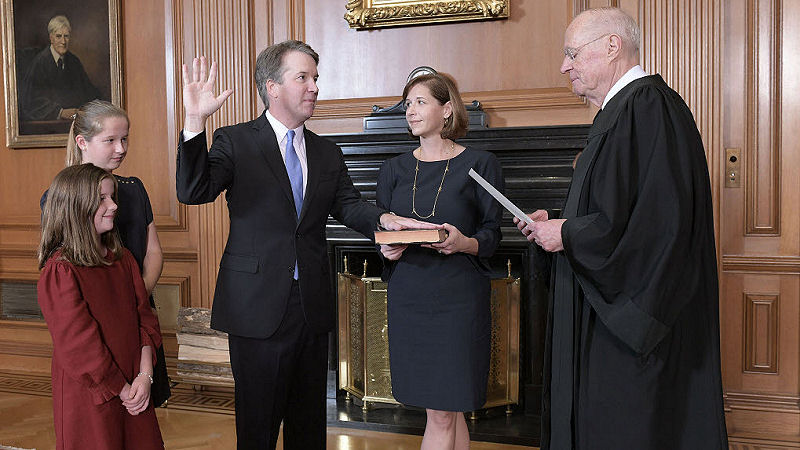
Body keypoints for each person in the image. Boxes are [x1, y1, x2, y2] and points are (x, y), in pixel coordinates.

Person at [177, 40, 431, 449]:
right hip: (256, 307)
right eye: (304, 77)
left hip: (310, 305)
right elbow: (193, 190)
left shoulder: (326, 151)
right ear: (272, 86)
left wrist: (384, 220)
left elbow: (348, 205)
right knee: (258, 429)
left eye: (316, 78)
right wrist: (193, 122)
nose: (314, 86)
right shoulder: (235, 141)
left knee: (308, 426)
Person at [515, 7, 728, 449]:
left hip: (631, 327)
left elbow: (656, 225)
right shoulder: (625, 111)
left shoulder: (647, 107)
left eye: (572, 53)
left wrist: (569, 235)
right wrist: (559, 223)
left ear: (612, 46)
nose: (563, 66)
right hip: (605, 310)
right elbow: (615, 206)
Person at [377, 72, 503, 450]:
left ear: (447, 109)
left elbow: (492, 236)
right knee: (447, 409)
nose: (410, 111)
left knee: (446, 410)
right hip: (410, 296)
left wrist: (463, 243)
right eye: (407, 104)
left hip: (458, 299)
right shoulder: (393, 169)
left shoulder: (481, 163)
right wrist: (387, 248)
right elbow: (380, 231)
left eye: (420, 102)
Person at [40, 99, 170, 407]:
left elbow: (153, 252)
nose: (121, 148)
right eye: (110, 140)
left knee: (143, 408)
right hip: (97, 325)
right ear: (82, 142)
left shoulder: (134, 189)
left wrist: (135, 299)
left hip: (138, 318)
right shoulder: (61, 195)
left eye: (124, 138)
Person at [37, 163, 164, 449]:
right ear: (76, 207)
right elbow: (81, 347)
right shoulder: (61, 271)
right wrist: (122, 388)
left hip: (135, 386)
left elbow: (146, 320)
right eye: (103, 199)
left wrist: (144, 377)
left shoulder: (124, 259)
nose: (114, 205)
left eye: (113, 197)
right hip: (93, 394)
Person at [19, 15, 101, 122]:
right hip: (48, 125)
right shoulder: (40, 63)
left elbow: (88, 92)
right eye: (58, 36)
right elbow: (31, 101)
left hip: (75, 122)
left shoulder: (74, 61)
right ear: (51, 38)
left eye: (66, 36)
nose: (63, 41)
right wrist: (60, 112)